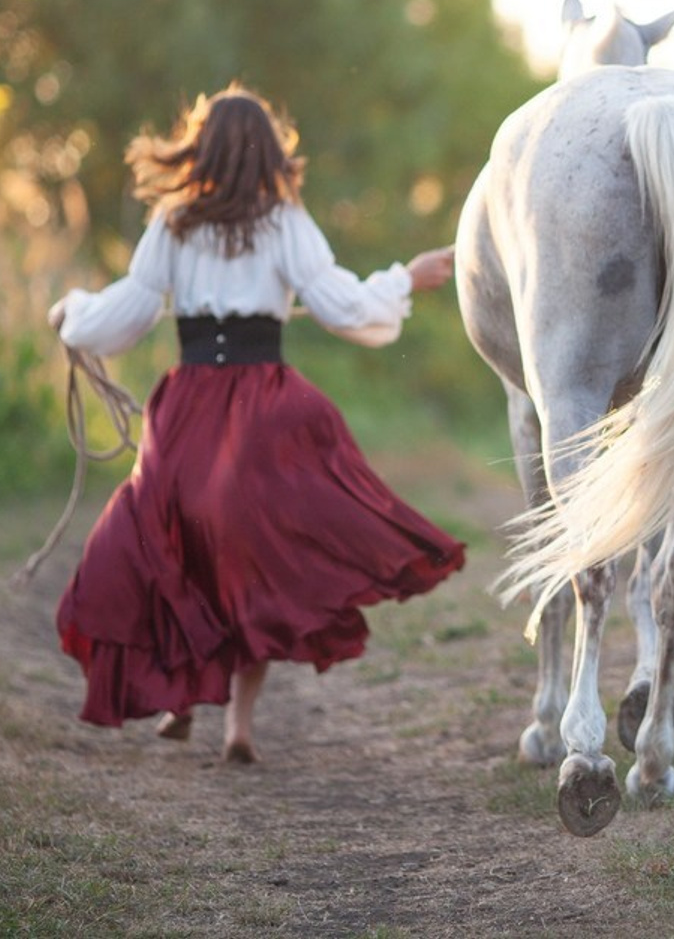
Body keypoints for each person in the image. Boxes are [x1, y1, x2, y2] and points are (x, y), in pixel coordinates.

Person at [49, 84, 466, 763]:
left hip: (188, 410)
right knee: (252, 565)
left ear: (199, 148)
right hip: (265, 413)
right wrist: (403, 279)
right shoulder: (284, 221)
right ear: (271, 151)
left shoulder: (174, 220)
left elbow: (127, 308)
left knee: (166, 545)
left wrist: (74, 314)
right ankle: (237, 722)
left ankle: (182, 699)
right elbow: (343, 306)